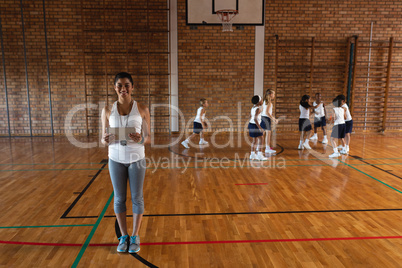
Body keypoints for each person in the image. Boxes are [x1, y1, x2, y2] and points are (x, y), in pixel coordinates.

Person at [101, 72, 151, 253]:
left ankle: (135, 235)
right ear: (115, 88)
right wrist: (105, 139)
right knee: (119, 198)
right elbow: (102, 139)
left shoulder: (143, 109)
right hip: (115, 159)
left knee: (137, 197)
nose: (123, 89)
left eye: (127, 85)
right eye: (119, 85)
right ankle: (123, 236)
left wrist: (140, 139)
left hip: (136, 159)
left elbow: (148, 138)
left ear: (132, 87)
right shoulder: (107, 110)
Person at [248, 95, 268, 161]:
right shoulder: (258, 109)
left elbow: (250, 116)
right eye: (262, 100)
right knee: (261, 139)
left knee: (254, 140)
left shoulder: (253, 108)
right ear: (259, 102)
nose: (262, 101)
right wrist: (260, 128)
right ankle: (259, 155)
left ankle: (252, 154)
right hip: (255, 125)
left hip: (251, 125)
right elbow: (255, 119)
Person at [261, 89, 279, 154]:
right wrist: (274, 119)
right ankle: (267, 148)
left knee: (262, 134)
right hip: (266, 118)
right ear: (271, 95)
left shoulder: (264, 101)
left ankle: (259, 147)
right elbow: (267, 112)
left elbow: (262, 110)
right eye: (273, 94)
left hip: (263, 118)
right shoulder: (269, 103)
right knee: (268, 133)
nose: (274, 95)